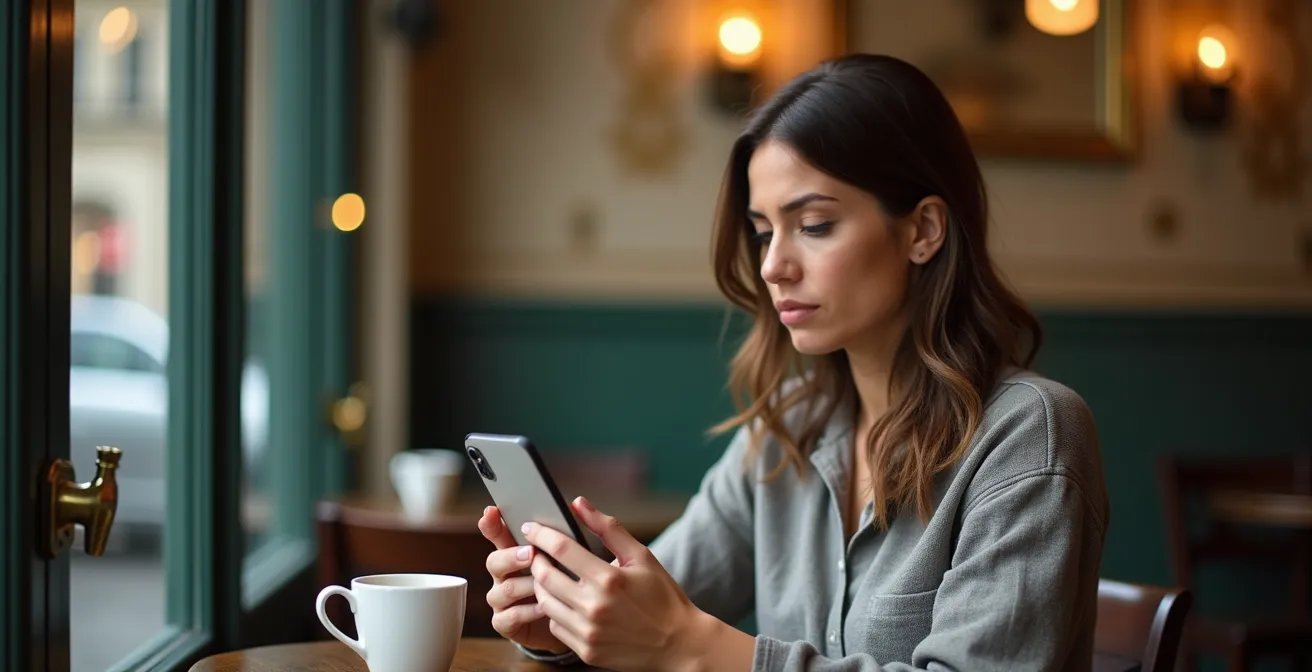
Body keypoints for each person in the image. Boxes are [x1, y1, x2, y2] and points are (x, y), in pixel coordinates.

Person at [476, 53, 1109, 672]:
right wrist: (567, 626)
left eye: (813, 224)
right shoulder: (786, 432)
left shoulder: (1031, 434)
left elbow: (675, 635)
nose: (773, 265)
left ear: (923, 231)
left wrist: (695, 650)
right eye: (762, 231)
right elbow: (652, 603)